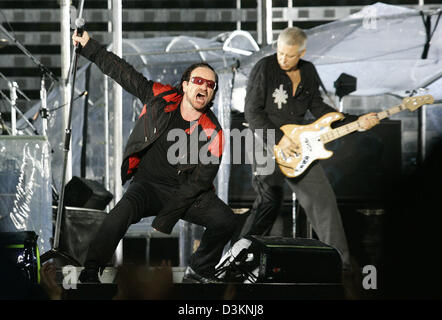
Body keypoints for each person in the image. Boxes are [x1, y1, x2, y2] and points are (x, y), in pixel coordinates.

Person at [72, 30, 237, 284]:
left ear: (213, 94)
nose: (203, 86)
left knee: (225, 220)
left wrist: (166, 218)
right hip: (146, 186)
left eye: (210, 85)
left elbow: (199, 183)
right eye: (198, 81)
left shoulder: (213, 132)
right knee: (118, 215)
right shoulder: (161, 97)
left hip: (185, 193)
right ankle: (91, 270)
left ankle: (199, 269)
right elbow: (123, 73)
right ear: (185, 85)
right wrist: (89, 47)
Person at [241, 27, 379, 272]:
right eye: (281, 53)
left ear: (302, 52)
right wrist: (278, 138)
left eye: (290, 55)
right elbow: (252, 112)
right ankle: (238, 259)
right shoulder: (264, 67)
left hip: (301, 147)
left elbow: (320, 108)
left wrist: (355, 122)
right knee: (268, 203)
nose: (283, 59)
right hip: (267, 144)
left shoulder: (308, 71)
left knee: (324, 201)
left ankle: (341, 267)